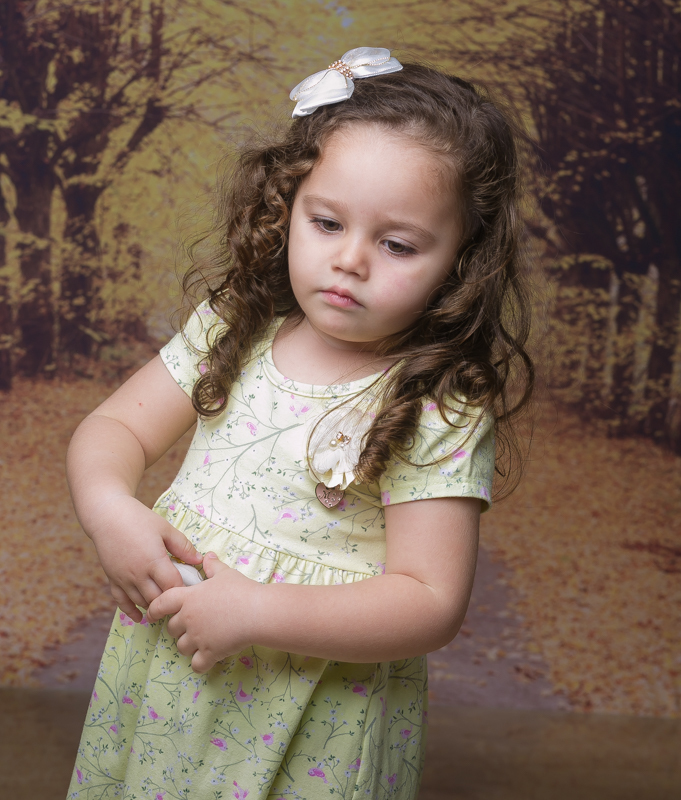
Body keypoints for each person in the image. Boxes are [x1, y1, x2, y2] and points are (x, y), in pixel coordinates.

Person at [66, 47, 533, 799]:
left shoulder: (434, 402)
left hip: (309, 714)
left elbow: (429, 600)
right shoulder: (237, 328)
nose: (349, 260)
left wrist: (257, 609)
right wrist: (108, 508)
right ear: (285, 209)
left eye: (397, 244)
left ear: (460, 261)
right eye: (325, 222)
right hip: (171, 680)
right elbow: (114, 428)